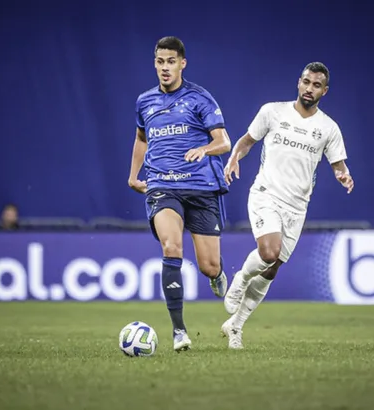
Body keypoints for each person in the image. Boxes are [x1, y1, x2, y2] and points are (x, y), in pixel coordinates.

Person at [220, 62, 354, 349]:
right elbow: (247, 141)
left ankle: (236, 327)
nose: (309, 88)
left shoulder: (328, 128)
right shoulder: (273, 112)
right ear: (298, 82)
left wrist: (343, 174)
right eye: (306, 82)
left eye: (316, 85)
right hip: (266, 194)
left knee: (270, 270)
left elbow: (338, 164)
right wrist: (234, 158)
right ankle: (241, 278)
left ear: (324, 91)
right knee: (269, 252)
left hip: (297, 207)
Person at [128, 36, 232, 352]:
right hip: (162, 185)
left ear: (182, 63)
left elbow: (224, 141)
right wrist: (134, 176)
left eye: (171, 61)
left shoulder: (200, 98)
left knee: (209, 266)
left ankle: (217, 274)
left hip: (200, 187)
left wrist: (204, 148)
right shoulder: (144, 101)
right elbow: (141, 140)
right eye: (160, 61)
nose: (165, 67)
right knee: (172, 245)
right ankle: (179, 331)